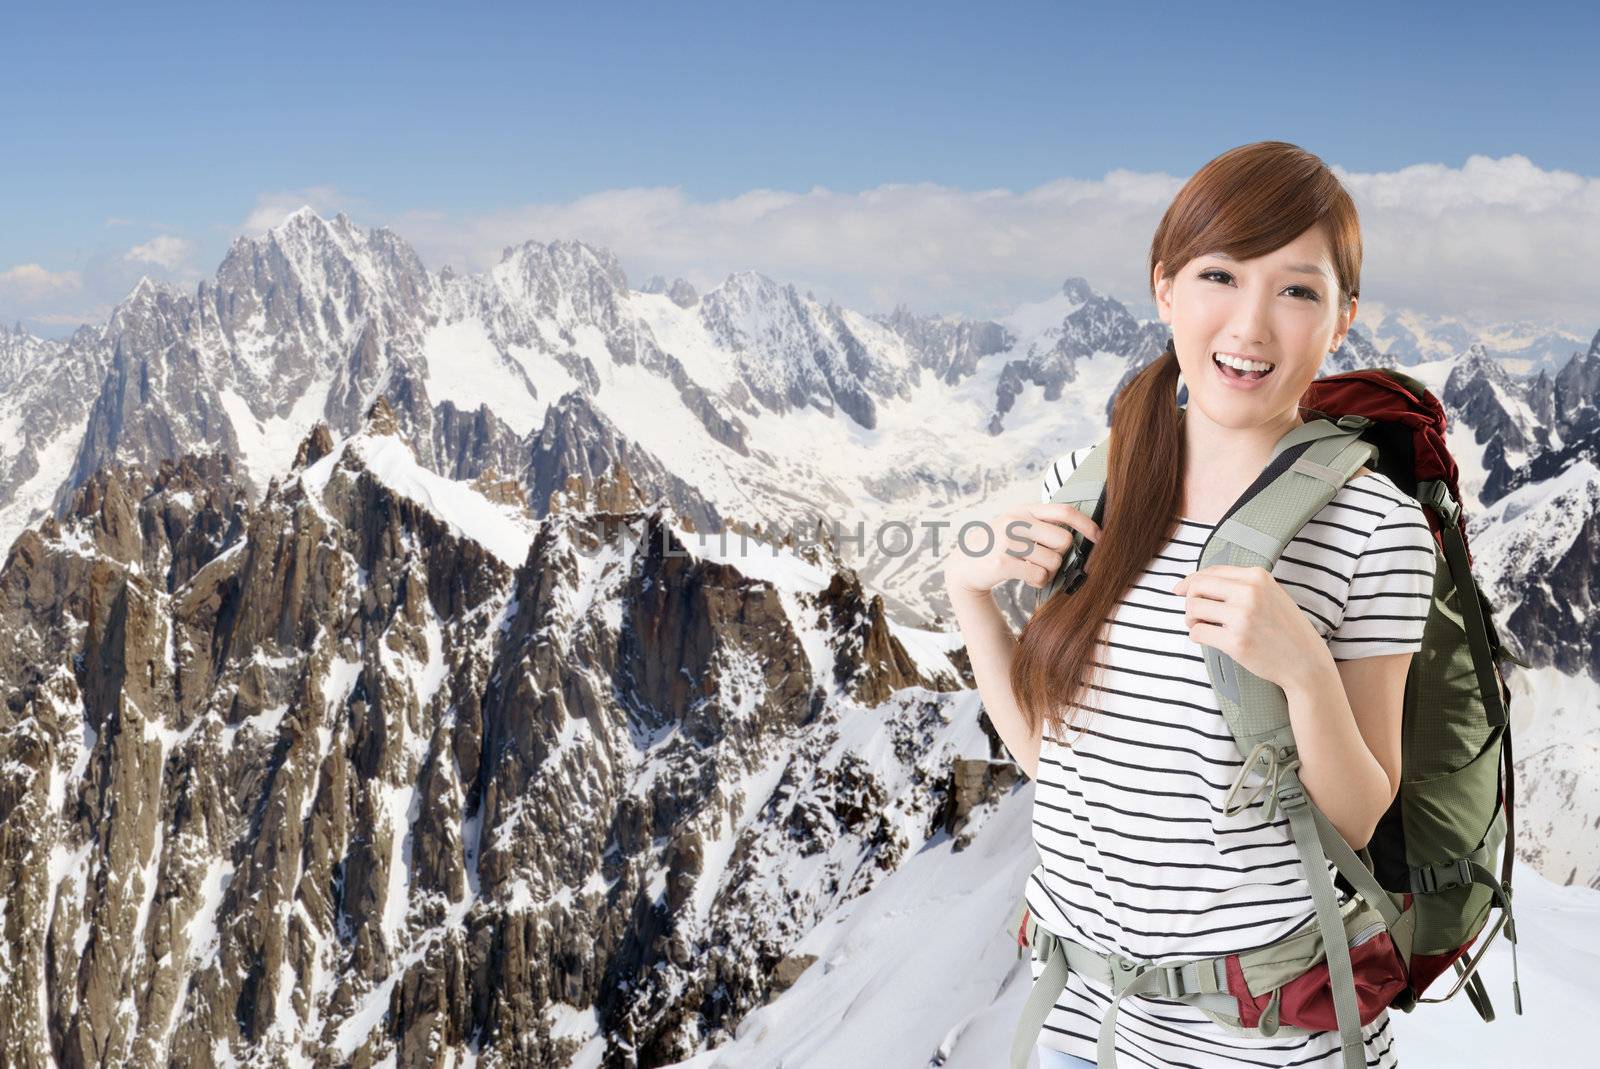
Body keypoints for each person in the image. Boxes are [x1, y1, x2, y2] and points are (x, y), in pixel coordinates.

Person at [942, 141, 1434, 1068]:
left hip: (1258, 1039)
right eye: (1219, 274)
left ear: (1342, 320)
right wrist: (968, 590)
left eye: (1297, 290)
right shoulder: (1092, 484)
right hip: (1080, 1018)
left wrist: (1303, 670)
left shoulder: (1373, 527)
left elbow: (1363, 815)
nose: (1250, 324)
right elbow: (1059, 762)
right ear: (1165, 287)